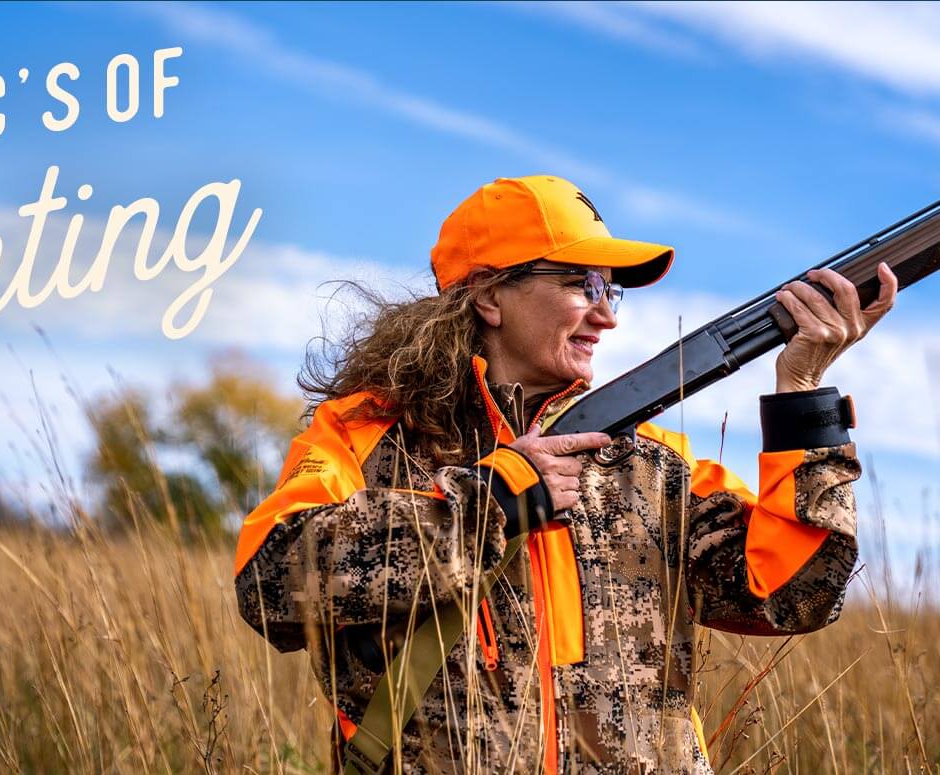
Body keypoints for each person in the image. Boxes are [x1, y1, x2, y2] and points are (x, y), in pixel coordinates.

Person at [233, 175, 897, 774]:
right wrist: (491, 501)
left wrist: (804, 396)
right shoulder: (368, 435)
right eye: (583, 283)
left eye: (610, 291)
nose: (607, 313)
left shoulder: (652, 461)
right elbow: (268, 580)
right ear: (491, 294)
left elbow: (794, 595)